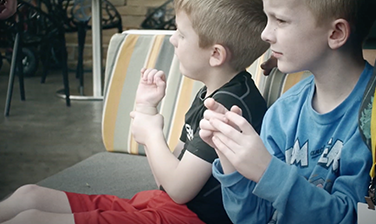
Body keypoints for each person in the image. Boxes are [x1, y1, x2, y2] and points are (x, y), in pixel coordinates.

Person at [0, 0, 269, 223]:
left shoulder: (229, 108)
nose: (173, 40)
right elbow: (165, 180)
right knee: (29, 195)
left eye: (182, 34)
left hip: (187, 219)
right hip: (165, 205)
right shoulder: (211, 93)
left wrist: (152, 133)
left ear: (216, 54)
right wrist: (146, 108)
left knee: (32, 218)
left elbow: (178, 190)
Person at [199, 0, 376, 223]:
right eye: (267, 19)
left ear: (336, 33)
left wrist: (267, 170)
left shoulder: (371, 119)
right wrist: (229, 154)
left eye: (280, 20)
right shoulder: (283, 112)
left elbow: (356, 218)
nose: (265, 34)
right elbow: (253, 218)